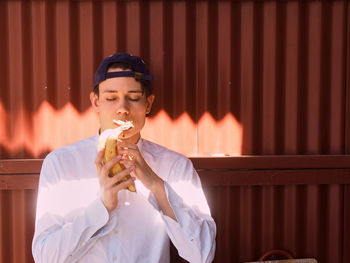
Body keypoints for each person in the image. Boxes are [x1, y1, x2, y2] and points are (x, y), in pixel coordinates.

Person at [32, 52, 216, 263]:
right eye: (111, 98)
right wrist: (101, 208)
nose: (122, 109)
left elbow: (203, 254)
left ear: (148, 104)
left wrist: (157, 186)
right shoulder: (61, 165)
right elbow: (44, 257)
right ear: (95, 102)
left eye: (134, 98)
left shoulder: (175, 166)